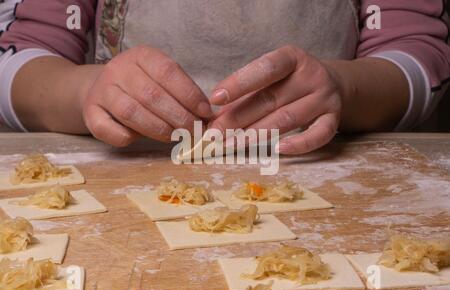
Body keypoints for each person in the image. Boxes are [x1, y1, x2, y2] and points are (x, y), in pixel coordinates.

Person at [0, 0, 449, 154]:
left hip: (325, 165)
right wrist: (85, 92)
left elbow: (417, 56)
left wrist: (343, 89)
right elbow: (20, 63)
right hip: (131, 167)